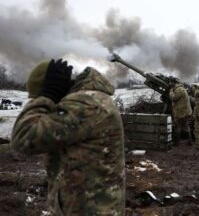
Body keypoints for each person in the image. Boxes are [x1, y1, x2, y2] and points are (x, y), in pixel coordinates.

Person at [11, 59, 125, 215]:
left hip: (90, 209)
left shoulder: (85, 104)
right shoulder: (88, 100)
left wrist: (45, 98)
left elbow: (24, 139)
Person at [169, 79, 193, 146]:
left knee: (177, 126)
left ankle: (176, 143)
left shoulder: (179, 89)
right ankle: (190, 142)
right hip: (185, 112)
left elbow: (173, 98)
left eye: (171, 83)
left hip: (181, 112)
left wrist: (170, 91)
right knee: (186, 126)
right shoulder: (181, 88)